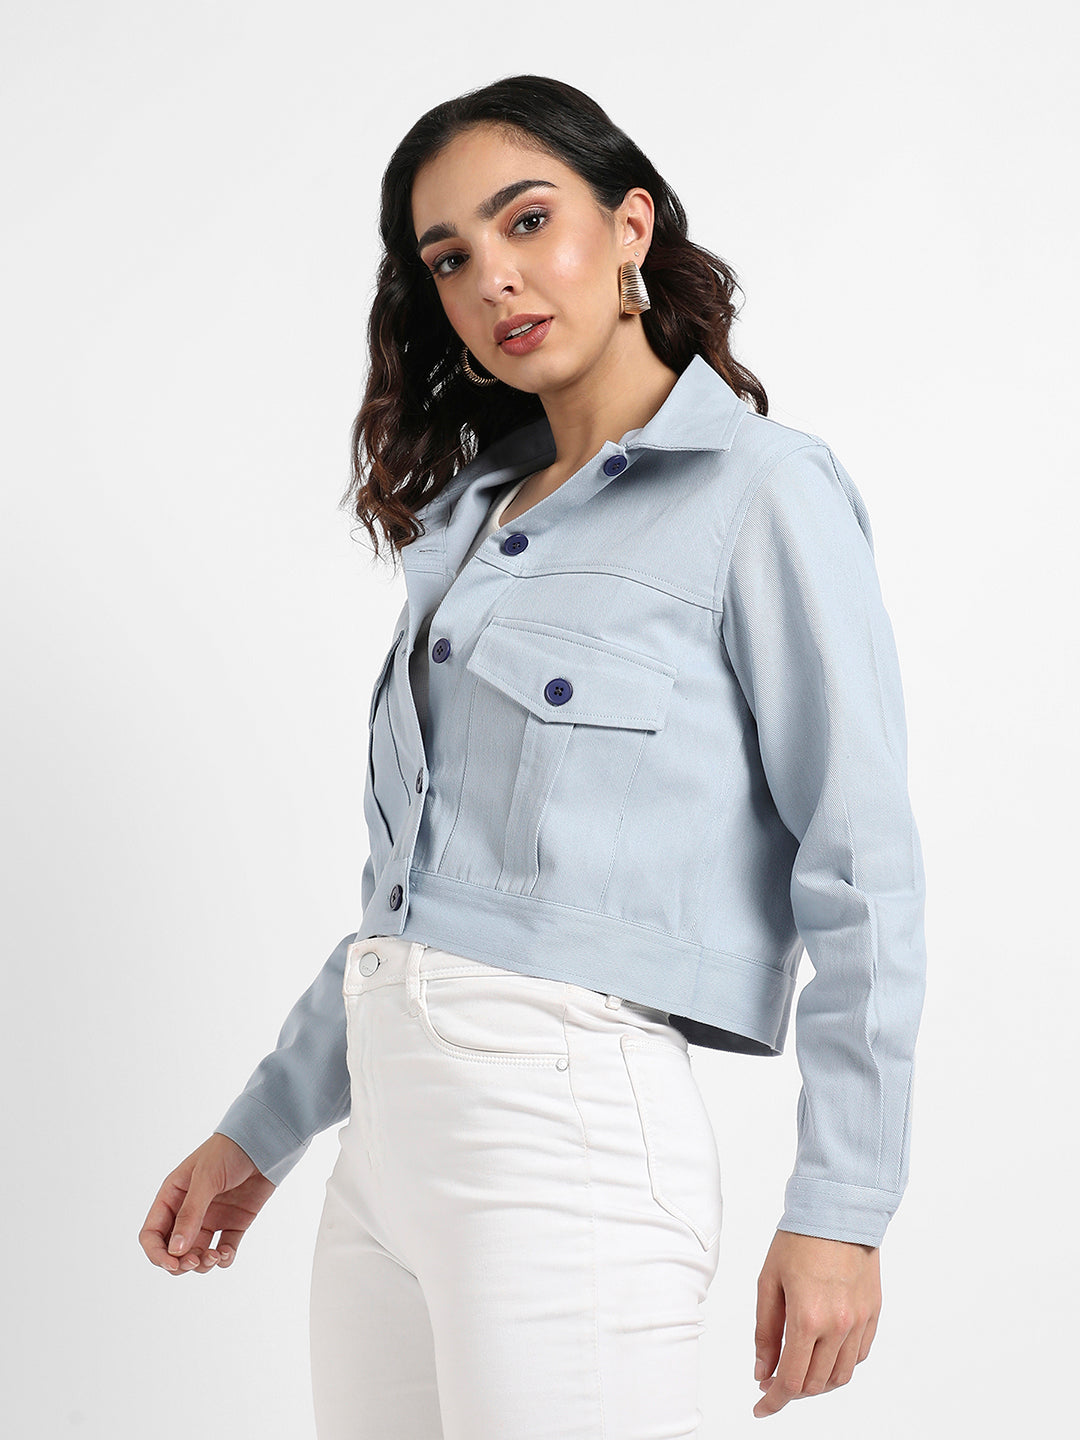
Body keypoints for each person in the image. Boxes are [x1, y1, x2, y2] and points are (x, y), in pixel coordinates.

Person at [139, 74, 927, 1436]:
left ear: (631, 227)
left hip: (564, 1129)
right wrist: (264, 1125)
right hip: (385, 1150)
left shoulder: (763, 493)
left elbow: (861, 866)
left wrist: (843, 1207)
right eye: (449, 257)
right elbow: (421, 903)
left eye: (527, 220)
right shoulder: (474, 529)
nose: (493, 277)